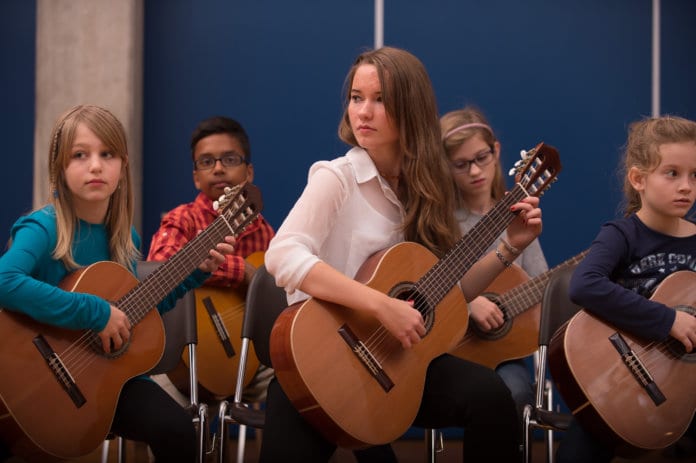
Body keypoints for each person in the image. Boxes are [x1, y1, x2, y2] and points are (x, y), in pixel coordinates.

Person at [261, 46, 543, 463]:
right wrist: (381, 306)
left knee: (490, 396)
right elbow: (282, 255)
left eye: (381, 100)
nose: (364, 111)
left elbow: (444, 293)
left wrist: (509, 247)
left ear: (409, 109)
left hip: (391, 364)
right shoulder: (337, 178)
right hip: (319, 363)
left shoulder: (423, 190)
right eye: (357, 97)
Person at [0, 105, 235, 463]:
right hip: (26, 373)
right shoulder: (44, 227)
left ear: (122, 167)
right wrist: (95, 313)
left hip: (102, 378)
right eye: (80, 155)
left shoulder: (124, 238)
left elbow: (135, 312)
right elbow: (4, 280)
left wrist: (196, 272)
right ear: (59, 170)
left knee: (177, 431)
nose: (95, 165)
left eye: (106, 154)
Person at [556, 115, 696, 463]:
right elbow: (585, 285)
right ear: (638, 179)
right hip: (620, 382)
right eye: (672, 173)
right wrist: (667, 320)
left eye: (695, 175)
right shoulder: (622, 234)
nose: (686, 186)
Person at [147, 115, 275, 402]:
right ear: (196, 177)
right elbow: (160, 268)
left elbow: (275, 295)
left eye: (229, 159)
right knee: (169, 420)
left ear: (249, 172)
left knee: (298, 384)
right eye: (206, 162)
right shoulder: (184, 219)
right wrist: (240, 272)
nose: (218, 168)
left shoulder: (264, 232)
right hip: (183, 360)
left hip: (247, 363)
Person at [440, 106, 548, 419]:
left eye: (481, 158)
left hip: (501, 355)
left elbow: (540, 284)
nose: (475, 171)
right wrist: (468, 302)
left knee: (515, 395)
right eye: (460, 164)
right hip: (445, 352)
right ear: (444, 167)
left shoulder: (518, 219)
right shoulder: (440, 221)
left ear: (496, 150)